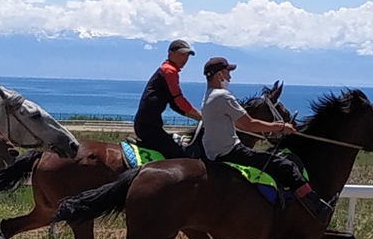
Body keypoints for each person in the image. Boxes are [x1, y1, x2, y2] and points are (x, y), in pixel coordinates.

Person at [200, 56, 334, 224]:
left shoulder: (207, 96)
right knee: (287, 166)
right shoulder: (223, 96)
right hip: (231, 151)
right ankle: (317, 209)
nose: (230, 77)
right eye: (227, 72)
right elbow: (249, 124)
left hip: (213, 153)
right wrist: (281, 127)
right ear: (219, 75)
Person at [134, 39, 202, 158]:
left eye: (187, 55)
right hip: (148, 126)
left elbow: (175, 105)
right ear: (170, 53)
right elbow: (178, 100)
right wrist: (201, 116)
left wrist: (200, 118)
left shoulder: (168, 70)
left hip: (149, 124)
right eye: (181, 54)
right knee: (177, 155)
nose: (185, 58)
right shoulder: (169, 71)